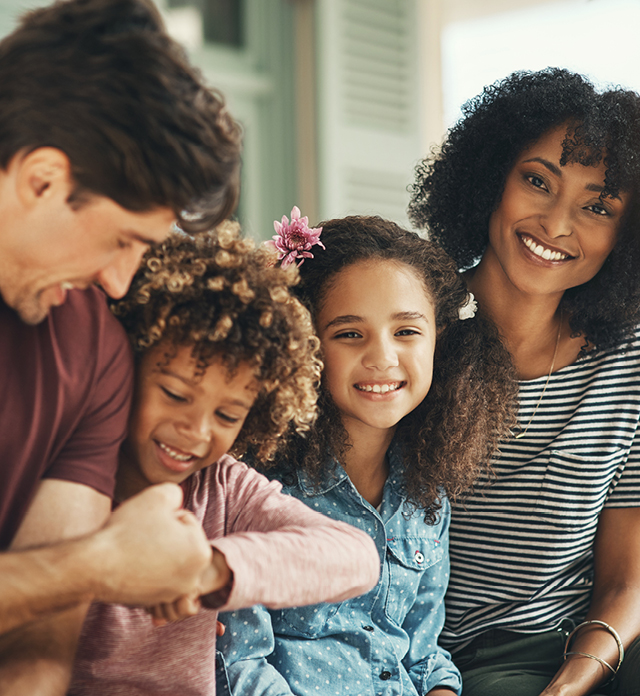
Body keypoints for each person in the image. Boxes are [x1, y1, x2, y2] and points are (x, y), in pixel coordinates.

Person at [0, 0, 241, 691]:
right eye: (121, 240)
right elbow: (72, 570)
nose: (119, 278)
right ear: (41, 179)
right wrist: (97, 564)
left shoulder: (95, 348)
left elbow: (37, 648)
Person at [68, 223, 380, 695]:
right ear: (125, 363)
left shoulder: (222, 487)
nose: (195, 430)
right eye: (175, 394)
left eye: (227, 414)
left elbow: (355, 558)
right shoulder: (68, 474)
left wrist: (208, 569)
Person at [409, 68, 640, 696]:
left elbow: (627, 583)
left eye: (598, 205)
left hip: (588, 650)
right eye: (537, 181)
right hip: (450, 660)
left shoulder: (628, 362)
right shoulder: (410, 335)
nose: (556, 224)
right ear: (490, 179)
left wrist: (571, 684)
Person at [217, 214, 517, 696]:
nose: (382, 357)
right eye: (350, 334)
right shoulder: (257, 489)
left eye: (406, 332)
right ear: (304, 345)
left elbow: (421, 652)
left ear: (439, 340)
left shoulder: (426, 493)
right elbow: (239, 663)